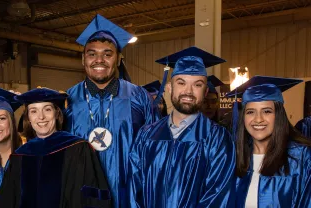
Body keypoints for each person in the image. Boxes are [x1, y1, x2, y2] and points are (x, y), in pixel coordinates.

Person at [64, 14, 157, 206]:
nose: (100, 60)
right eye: (92, 54)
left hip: (129, 197)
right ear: (83, 59)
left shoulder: (139, 97)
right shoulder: (67, 100)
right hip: (81, 197)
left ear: (118, 59)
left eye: (107, 54)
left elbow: (154, 152)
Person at [128, 46, 236, 207]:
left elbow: (218, 197)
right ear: (169, 88)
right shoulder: (146, 135)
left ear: (205, 92)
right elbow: (134, 191)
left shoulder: (218, 139)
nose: (188, 91)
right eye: (181, 83)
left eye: (197, 85)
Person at [0, 88, 112, 207]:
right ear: (28, 118)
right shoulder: (19, 155)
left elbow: (91, 198)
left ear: (56, 113)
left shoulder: (78, 148)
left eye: (47, 109)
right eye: (34, 111)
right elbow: (7, 200)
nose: (41, 117)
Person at [226, 76, 311, 207]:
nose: (258, 119)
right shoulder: (234, 158)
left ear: (278, 115)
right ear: (243, 117)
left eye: (266, 111)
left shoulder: (300, 158)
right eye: (250, 112)